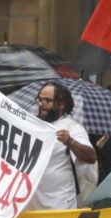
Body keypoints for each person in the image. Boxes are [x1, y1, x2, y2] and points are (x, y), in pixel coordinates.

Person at [30, 81, 97, 210]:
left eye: (47, 100)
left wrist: (70, 142)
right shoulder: (33, 124)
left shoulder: (73, 128)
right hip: (31, 204)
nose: (41, 104)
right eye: (39, 99)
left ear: (61, 105)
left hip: (59, 203)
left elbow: (91, 156)